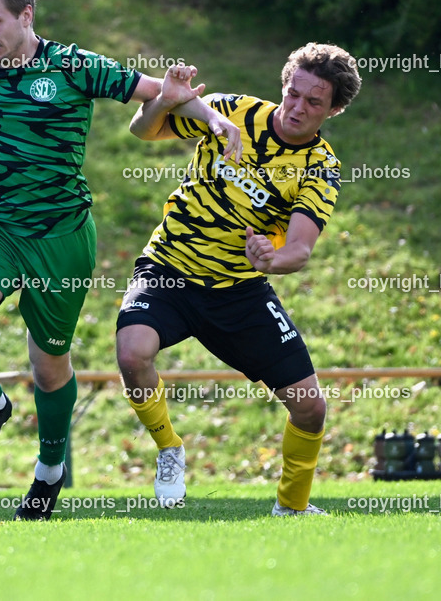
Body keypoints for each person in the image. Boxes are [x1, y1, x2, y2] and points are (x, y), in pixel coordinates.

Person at [0, 0, 240, 520]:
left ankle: (49, 474)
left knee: (49, 365)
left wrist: (213, 119)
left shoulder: (76, 65)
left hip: (62, 236)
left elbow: (161, 93)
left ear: (25, 14)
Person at [116, 42, 361, 515]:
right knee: (132, 351)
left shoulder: (320, 167)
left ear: (334, 110)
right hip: (170, 267)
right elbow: (142, 129)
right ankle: (170, 449)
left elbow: (300, 250)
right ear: (284, 86)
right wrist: (167, 99)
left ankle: (292, 508)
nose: (298, 108)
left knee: (310, 408)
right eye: (294, 94)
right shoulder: (231, 111)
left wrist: (272, 259)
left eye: (314, 102)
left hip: (239, 289)